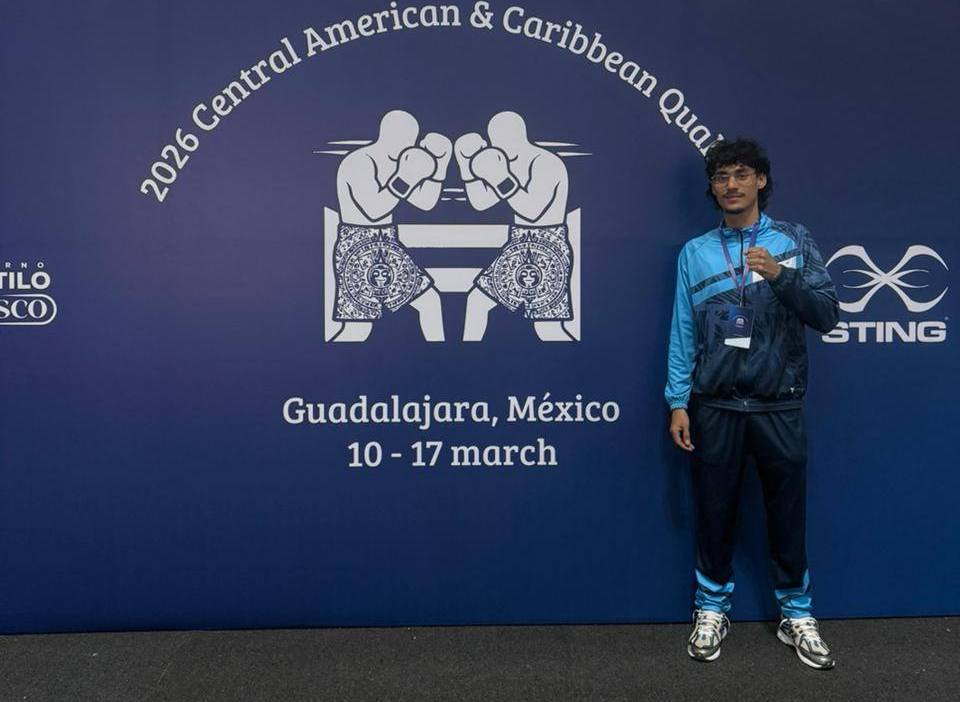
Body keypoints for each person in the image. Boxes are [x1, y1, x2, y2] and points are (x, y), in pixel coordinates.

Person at [664, 138, 840, 669]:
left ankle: (797, 614)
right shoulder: (695, 252)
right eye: (721, 177)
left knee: (787, 517)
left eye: (741, 174)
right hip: (715, 405)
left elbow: (827, 315)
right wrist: (678, 401)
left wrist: (781, 276)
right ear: (712, 187)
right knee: (714, 515)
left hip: (778, 404)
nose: (731, 185)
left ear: (761, 180)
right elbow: (683, 332)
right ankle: (711, 609)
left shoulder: (793, 240)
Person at [455, 111, 575, 341]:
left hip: (548, 246)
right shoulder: (506, 164)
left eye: (502, 140)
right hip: (519, 243)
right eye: (495, 141)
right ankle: (467, 358)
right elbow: (481, 203)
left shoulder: (545, 162)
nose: (498, 147)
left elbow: (532, 211)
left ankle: (572, 363)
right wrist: (467, 167)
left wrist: (500, 176)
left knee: (548, 329)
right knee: (477, 302)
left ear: (519, 135)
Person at [333, 110, 449, 341]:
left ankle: (440, 358)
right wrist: (406, 176)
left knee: (429, 301)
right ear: (388, 135)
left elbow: (425, 203)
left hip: (387, 242)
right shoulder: (360, 161)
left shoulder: (398, 163)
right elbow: (374, 211)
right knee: (357, 329)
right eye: (405, 141)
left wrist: (439, 166)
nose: (408, 147)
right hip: (358, 246)